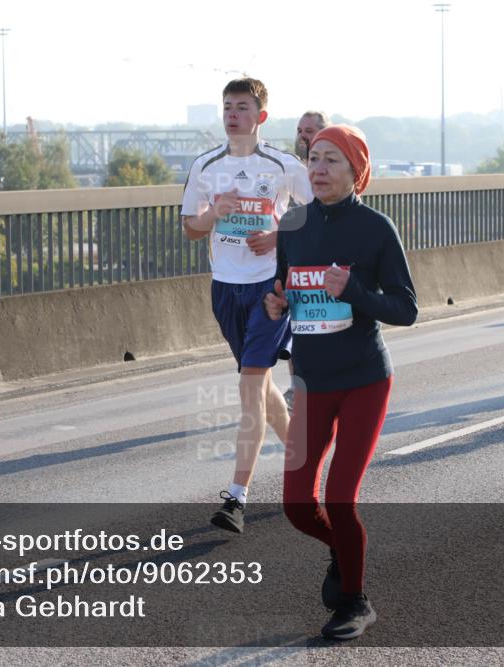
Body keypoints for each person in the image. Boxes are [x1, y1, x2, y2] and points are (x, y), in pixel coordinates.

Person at [265, 125, 417, 639]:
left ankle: (354, 602)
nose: (319, 168)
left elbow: (406, 308)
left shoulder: (375, 228)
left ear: (356, 171)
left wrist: (354, 290)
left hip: (364, 380)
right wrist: (277, 301)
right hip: (311, 380)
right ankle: (341, 547)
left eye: (332, 160)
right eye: (313, 158)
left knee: (340, 499)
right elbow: (284, 287)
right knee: (296, 506)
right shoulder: (293, 225)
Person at [182, 79, 312, 533]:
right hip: (225, 288)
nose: (232, 114)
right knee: (259, 387)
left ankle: (236, 497)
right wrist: (215, 212)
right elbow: (191, 229)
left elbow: (318, 214)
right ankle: (305, 462)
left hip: (270, 289)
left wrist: (280, 236)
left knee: (250, 387)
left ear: (260, 116)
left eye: (242, 107)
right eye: (227, 107)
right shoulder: (206, 165)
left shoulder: (283, 165)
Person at [282, 110, 332, 411]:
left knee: (322, 321)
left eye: (309, 130)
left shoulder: (335, 167)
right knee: (297, 321)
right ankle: (298, 385)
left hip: (326, 255)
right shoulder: (291, 166)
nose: (303, 135)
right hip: (300, 255)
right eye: (299, 129)